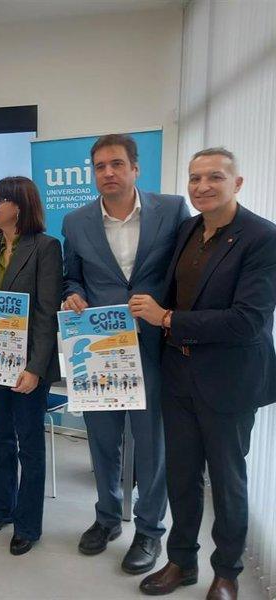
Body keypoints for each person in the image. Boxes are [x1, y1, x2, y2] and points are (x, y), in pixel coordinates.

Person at [132, 148, 276, 600]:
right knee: (181, 474)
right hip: (179, 374)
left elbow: (248, 319)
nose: (202, 186)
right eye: (194, 178)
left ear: (238, 183)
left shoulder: (262, 237)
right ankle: (181, 561)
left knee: (228, 479)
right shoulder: (188, 229)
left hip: (229, 380)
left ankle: (228, 572)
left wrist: (167, 318)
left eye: (214, 177)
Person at [62, 134, 190, 573]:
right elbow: (71, 277)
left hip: (154, 346)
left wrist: (167, 313)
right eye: (99, 166)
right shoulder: (76, 221)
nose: (108, 173)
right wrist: (73, 295)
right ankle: (106, 518)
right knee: (102, 440)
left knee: (152, 442)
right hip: (99, 347)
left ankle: (151, 531)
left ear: (136, 168)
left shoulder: (172, 211)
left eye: (116, 164)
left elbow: (186, 273)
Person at [0, 176, 62, 555]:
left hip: (27, 367)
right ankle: (2, 508)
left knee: (30, 446)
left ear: (18, 206)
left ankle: (28, 524)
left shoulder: (46, 248)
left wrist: (36, 368)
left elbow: (46, 313)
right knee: (2, 439)